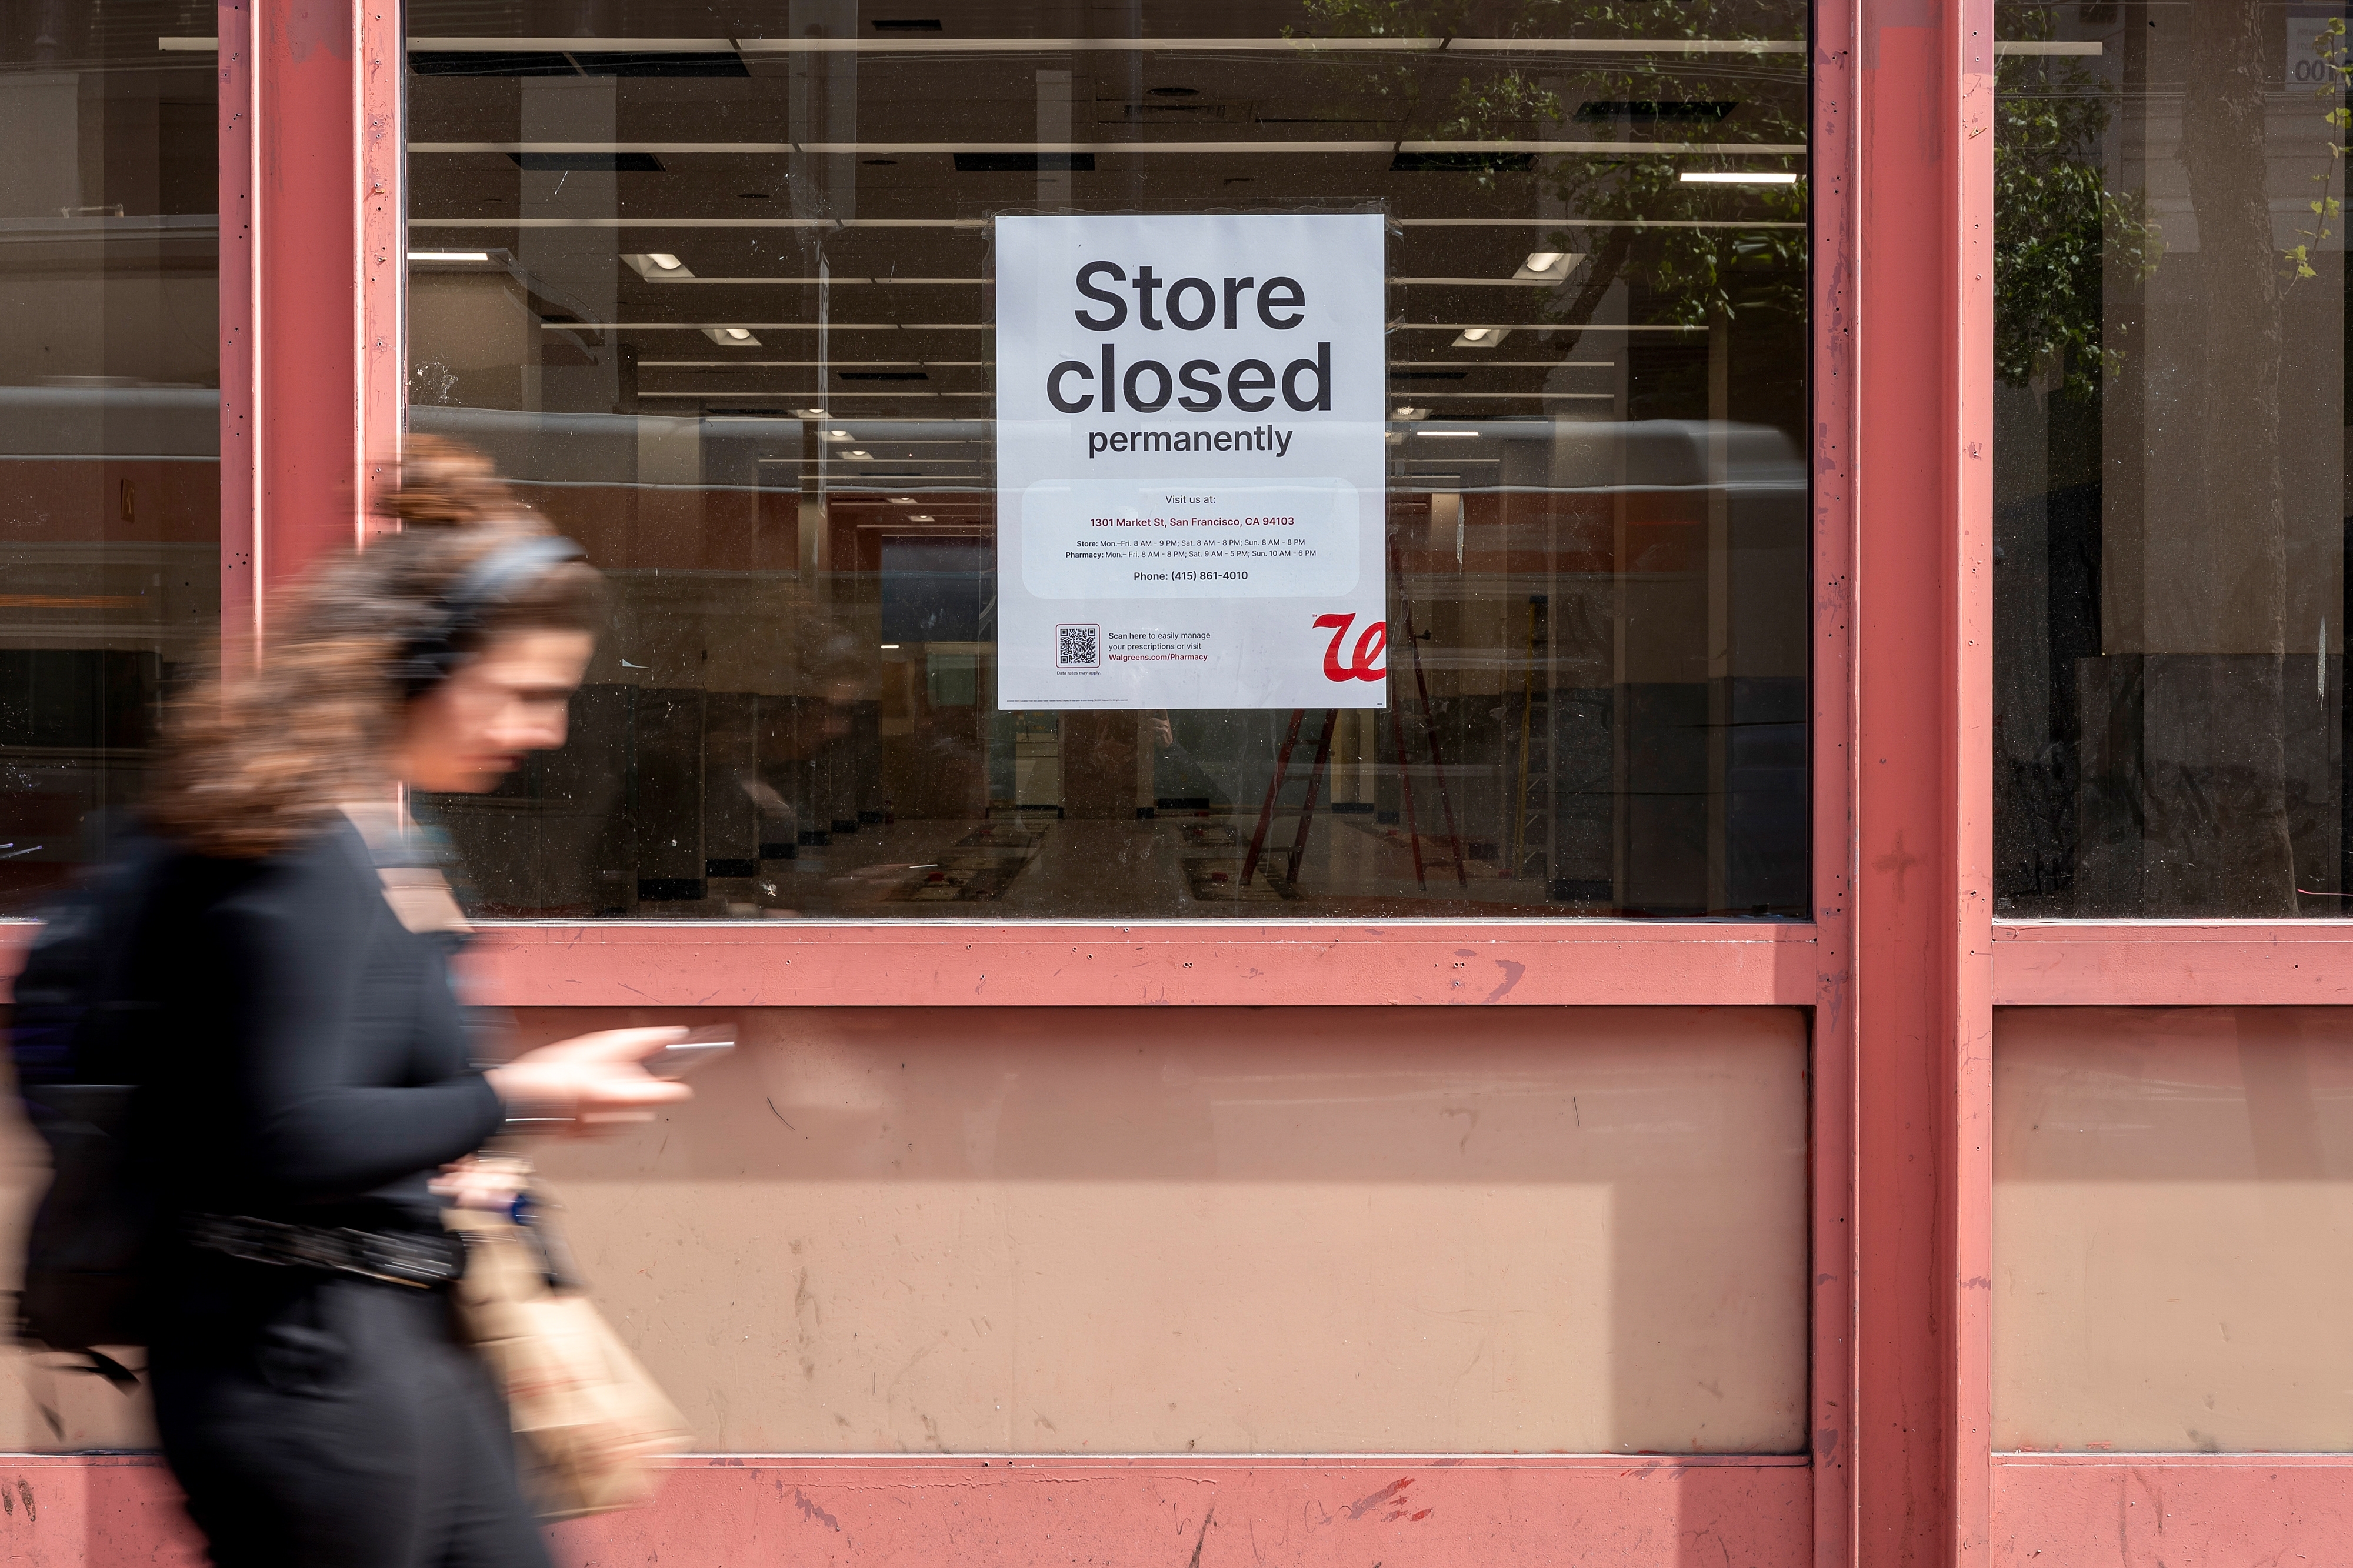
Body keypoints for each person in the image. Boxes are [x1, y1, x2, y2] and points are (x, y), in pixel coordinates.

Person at [125, 438, 688, 1567]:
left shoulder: (374, 839)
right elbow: (287, 1130)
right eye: (525, 693)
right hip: (306, 1366)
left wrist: (474, 1139)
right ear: (420, 661)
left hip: (397, 1332)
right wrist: (520, 1093)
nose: (547, 730)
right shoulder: (295, 849)